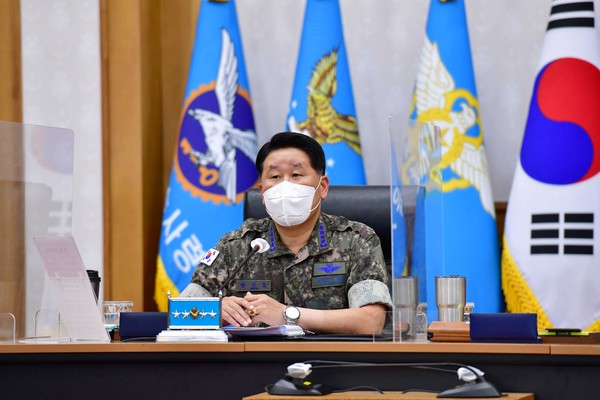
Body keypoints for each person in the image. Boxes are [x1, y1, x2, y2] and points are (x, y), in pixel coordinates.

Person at [180, 132, 392, 334]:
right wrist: (216, 312)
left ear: (323, 186)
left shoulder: (357, 240)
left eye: (296, 174)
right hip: (251, 366)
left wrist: (288, 315)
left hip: (331, 363)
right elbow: (181, 314)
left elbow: (371, 322)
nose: (285, 186)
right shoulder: (235, 247)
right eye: (275, 176)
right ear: (263, 192)